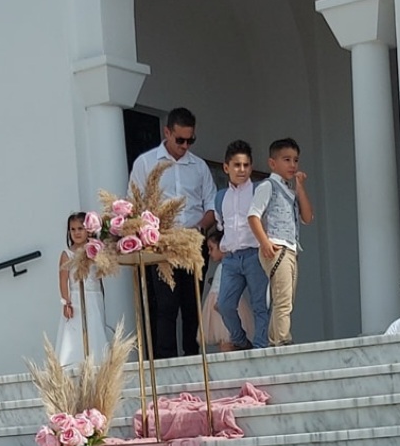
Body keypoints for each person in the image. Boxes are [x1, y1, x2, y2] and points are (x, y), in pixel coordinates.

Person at [129, 107, 217, 358]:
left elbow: (212, 205)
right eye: (180, 140)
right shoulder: (146, 163)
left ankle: (192, 357)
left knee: (192, 304)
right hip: (162, 244)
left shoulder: (199, 166)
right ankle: (166, 360)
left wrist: (199, 228)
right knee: (165, 305)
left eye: (191, 140)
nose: (185, 146)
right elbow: (135, 203)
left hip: (192, 243)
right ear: (166, 132)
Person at [247, 138, 314, 347]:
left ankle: (275, 339)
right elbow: (253, 216)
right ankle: (283, 339)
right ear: (272, 163)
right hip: (277, 246)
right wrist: (265, 242)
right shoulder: (268, 186)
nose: (292, 165)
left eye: (295, 160)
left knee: (285, 298)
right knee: (283, 298)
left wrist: (300, 187)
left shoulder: (289, 190)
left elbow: (307, 217)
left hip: (290, 248)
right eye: (286, 160)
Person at [214, 141, 270, 351]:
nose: (242, 170)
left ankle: (261, 345)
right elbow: (222, 225)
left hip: (255, 254)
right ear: (226, 167)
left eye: (246, 165)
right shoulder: (221, 197)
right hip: (231, 258)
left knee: (260, 305)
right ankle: (240, 340)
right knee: (225, 304)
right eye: (237, 165)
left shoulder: (258, 190)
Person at [56, 212, 109, 363]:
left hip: (94, 295)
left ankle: (97, 361)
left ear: (88, 230)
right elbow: (63, 279)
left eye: (80, 228)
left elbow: (101, 273)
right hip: (76, 299)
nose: (76, 233)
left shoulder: (95, 250)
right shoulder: (67, 254)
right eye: (73, 229)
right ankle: (74, 361)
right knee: (76, 330)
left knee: (95, 328)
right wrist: (66, 302)